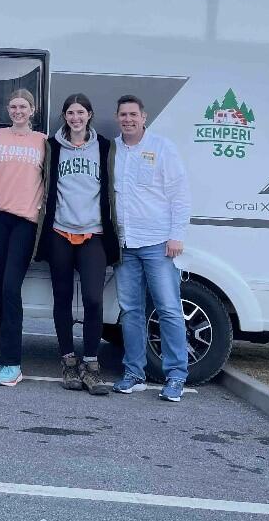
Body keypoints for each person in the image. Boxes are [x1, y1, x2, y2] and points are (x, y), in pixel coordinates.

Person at [110, 94, 191, 402]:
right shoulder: (113, 150)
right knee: (130, 311)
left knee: (169, 309)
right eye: (123, 114)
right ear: (117, 118)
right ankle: (134, 373)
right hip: (124, 243)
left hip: (158, 242)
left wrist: (176, 235)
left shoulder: (162, 148)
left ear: (144, 117)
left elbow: (179, 194)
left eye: (133, 114)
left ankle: (176, 376)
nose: (128, 119)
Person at [37, 94, 119, 394]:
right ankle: (68, 360)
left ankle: (92, 363)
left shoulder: (104, 146)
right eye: (70, 113)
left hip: (92, 234)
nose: (75, 118)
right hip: (60, 231)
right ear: (65, 117)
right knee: (61, 298)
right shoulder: (52, 146)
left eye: (80, 112)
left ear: (90, 115)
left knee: (93, 299)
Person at [0, 88, 46, 387]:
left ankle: (13, 362)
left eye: (23, 106)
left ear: (32, 110)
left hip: (25, 222)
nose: (18, 111)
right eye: (13, 106)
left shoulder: (42, 142)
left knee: (11, 288)